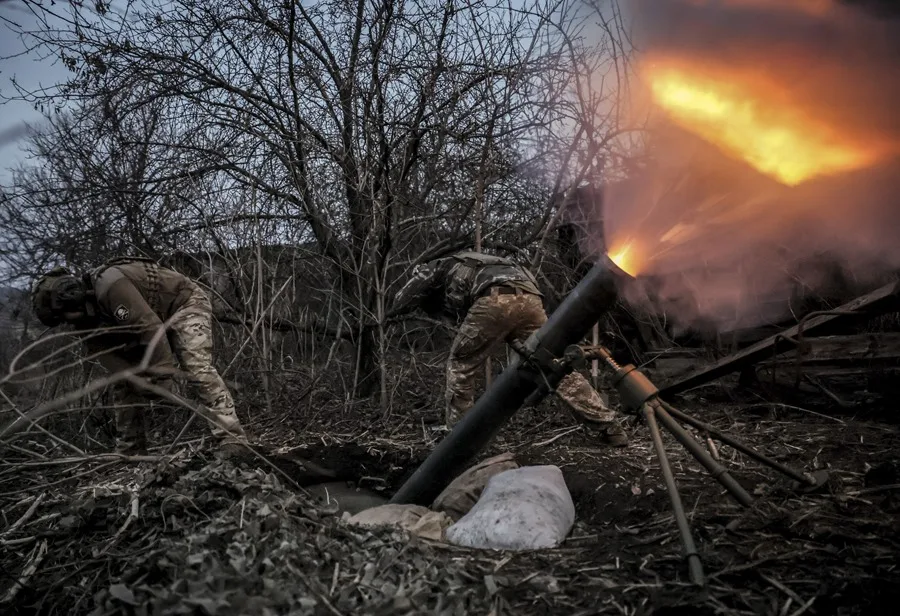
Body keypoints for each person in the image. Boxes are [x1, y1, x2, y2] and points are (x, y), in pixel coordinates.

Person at [392, 251, 628, 446]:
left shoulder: (435, 266)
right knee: (551, 364)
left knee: (461, 365)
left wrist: (390, 313)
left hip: (494, 299)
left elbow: (402, 300)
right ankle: (609, 425)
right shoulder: (480, 263)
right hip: (530, 299)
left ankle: (457, 439)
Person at [31, 257, 248, 455]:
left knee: (197, 367)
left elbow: (151, 329)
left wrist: (162, 378)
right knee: (123, 384)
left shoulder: (110, 286)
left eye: (65, 314)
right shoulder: (84, 322)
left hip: (183, 304)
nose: (68, 321)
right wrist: (136, 379)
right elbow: (109, 359)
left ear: (70, 298)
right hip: (149, 323)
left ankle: (232, 439)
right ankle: (130, 450)